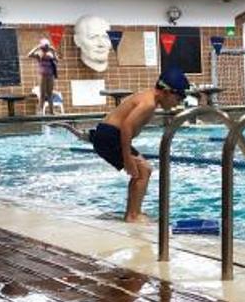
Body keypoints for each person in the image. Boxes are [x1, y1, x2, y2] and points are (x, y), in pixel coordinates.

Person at [53, 67, 190, 223]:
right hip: (110, 136)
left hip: (107, 134)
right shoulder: (148, 103)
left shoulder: (147, 96)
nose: (177, 103)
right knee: (144, 170)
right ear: (167, 92)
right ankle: (133, 215)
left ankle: (133, 213)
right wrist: (127, 158)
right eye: (178, 99)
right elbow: (126, 127)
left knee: (141, 171)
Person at [27, 38, 59, 114]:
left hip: (50, 75)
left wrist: (53, 51)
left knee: (50, 94)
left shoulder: (50, 54)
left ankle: (51, 111)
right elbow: (29, 55)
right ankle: (40, 112)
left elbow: (56, 60)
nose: (46, 49)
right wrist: (36, 47)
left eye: (47, 47)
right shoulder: (39, 53)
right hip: (42, 75)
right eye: (45, 47)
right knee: (42, 94)